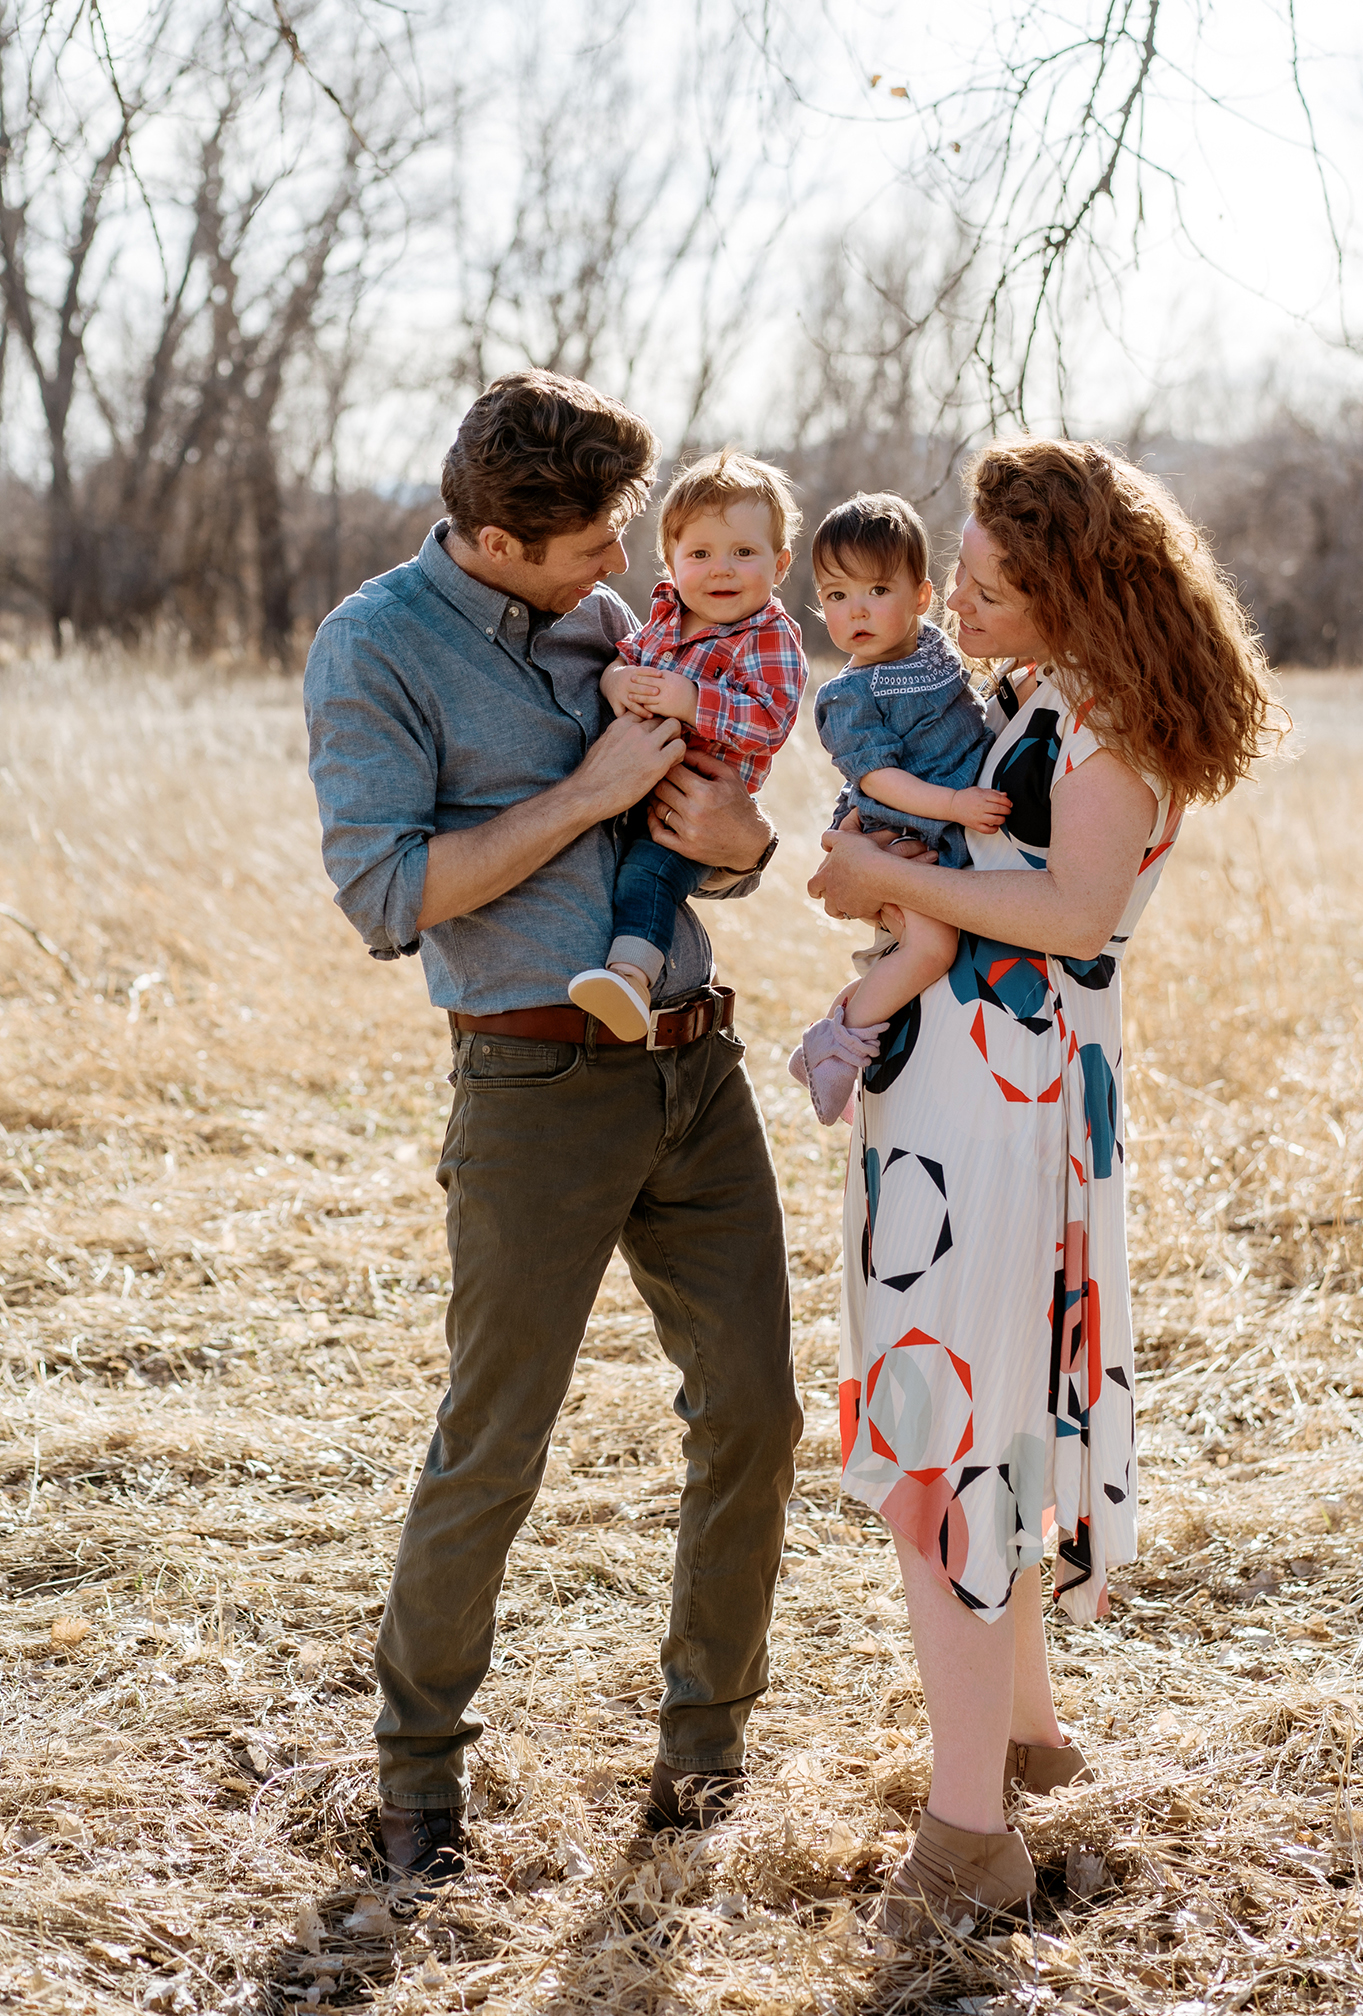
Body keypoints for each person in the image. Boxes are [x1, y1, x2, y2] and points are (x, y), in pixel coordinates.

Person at [304, 369, 804, 1882]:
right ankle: (416, 1779)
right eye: (597, 540)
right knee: (496, 1440)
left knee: (759, 1412)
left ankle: (704, 1756)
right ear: (503, 535)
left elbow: (710, 830)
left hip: (695, 1069)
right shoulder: (372, 648)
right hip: (531, 1086)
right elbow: (386, 893)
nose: (627, 563)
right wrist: (590, 791)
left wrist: (744, 849)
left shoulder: (625, 623)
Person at [807, 438, 1274, 1924]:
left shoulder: (1108, 718)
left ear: (1076, 587)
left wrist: (880, 886)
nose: (964, 603)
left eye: (998, 586)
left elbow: (1073, 912)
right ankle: (1026, 1745)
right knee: (980, 1432)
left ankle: (965, 1842)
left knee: (950, 1452)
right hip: (968, 1102)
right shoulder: (1039, 699)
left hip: (1004, 1125)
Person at [569, 450, 806, 1041]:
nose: (720, 569)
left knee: (648, 876)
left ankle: (631, 978)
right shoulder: (665, 620)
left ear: (779, 564)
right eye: (699, 553)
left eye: (743, 553)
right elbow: (625, 662)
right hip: (633, 792)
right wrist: (615, 680)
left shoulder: (767, 635)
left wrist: (691, 700)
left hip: (690, 808)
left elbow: (770, 721)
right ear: (671, 563)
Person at [791, 493, 1007, 1124]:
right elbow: (879, 778)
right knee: (931, 949)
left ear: (921, 595)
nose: (854, 611)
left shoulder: (937, 648)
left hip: (949, 826)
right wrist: (955, 803)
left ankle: (850, 1028)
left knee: (919, 955)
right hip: (901, 827)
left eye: (876, 590)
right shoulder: (848, 694)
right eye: (835, 595)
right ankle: (834, 1049)